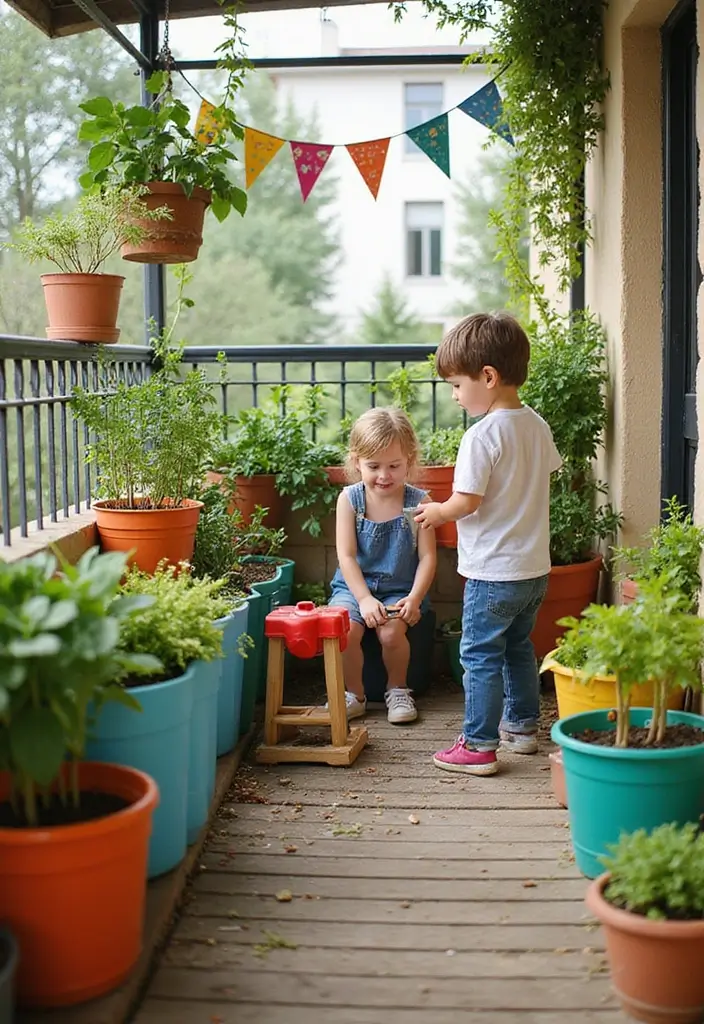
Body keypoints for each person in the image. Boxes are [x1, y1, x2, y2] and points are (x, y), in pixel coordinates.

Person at [415, 313, 562, 774]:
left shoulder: (481, 436)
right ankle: (521, 727)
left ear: (489, 377)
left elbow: (467, 501)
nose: (455, 396)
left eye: (457, 385)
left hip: (493, 572)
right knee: (518, 646)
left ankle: (478, 744)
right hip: (533, 570)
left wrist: (438, 512)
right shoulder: (535, 425)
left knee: (479, 655)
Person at [329, 407, 437, 725]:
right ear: (356, 462)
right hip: (353, 588)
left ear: (409, 461)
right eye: (373, 466)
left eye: (394, 466)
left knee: (390, 635)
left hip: (400, 590)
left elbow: (428, 557)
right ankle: (354, 695)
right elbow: (346, 556)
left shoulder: (419, 502)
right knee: (344, 631)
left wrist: (415, 598)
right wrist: (363, 599)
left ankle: (398, 689)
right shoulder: (350, 500)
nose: (384, 476)